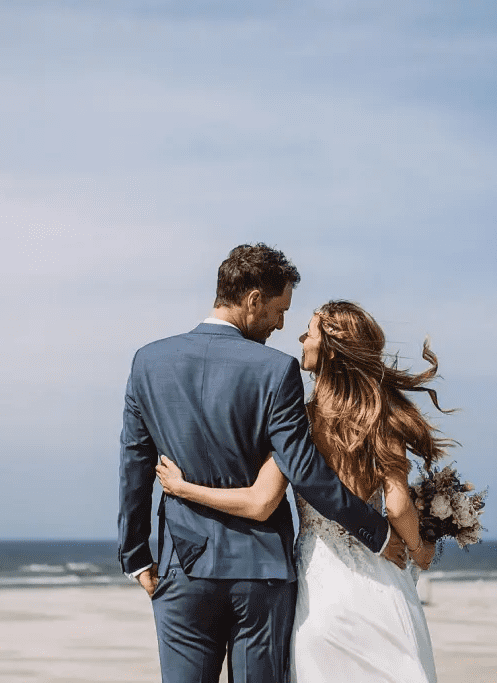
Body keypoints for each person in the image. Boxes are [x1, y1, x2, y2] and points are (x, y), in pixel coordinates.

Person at [117, 244, 407, 683]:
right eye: (278, 310)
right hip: (262, 573)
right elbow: (305, 470)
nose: (281, 324)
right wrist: (376, 532)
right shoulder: (277, 370)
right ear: (253, 300)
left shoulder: (148, 362)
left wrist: (136, 555)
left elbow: (134, 464)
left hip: (183, 565)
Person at [157, 300, 454, 682]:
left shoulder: (301, 423)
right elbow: (397, 507)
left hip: (322, 594)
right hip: (382, 586)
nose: (300, 337)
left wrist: (184, 488)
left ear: (330, 348)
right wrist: (419, 550)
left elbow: (260, 502)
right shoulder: (386, 417)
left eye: (309, 332)